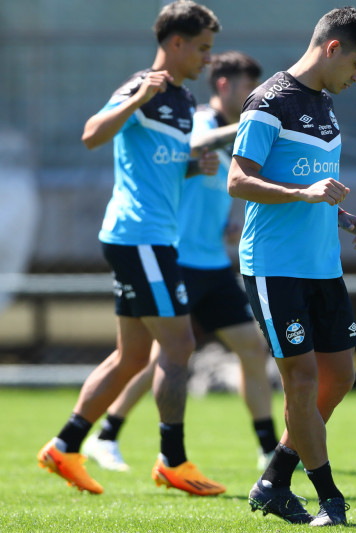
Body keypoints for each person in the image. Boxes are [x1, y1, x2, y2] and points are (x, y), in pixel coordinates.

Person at [37, 0, 225, 496]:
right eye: (202, 49)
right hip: (138, 236)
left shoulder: (184, 101)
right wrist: (136, 97)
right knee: (180, 345)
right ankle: (174, 461)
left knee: (132, 356)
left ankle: (64, 447)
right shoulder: (141, 86)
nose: (208, 59)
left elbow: (160, 164)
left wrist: (192, 166)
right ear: (175, 43)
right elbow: (91, 136)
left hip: (151, 237)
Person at [81, 51, 281, 474]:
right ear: (223, 85)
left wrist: (228, 225)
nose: (253, 99)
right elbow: (186, 149)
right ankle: (107, 434)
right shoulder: (200, 123)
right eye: (249, 90)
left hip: (213, 264)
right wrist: (246, 126)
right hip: (176, 258)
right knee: (161, 356)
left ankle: (267, 448)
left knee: (250, 346)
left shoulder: (230, 142)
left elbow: (206, 185)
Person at [226, 7, 356, 526]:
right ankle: (330, 500)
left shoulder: (325, 102)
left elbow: (311, 182)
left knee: (337, 378)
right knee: (301, 379)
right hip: (275, 266)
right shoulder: (269, 101)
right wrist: (306, 193)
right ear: (333, 48)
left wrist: (341, 214)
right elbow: (239, 181)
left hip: (323, 265)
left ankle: (273, 480)